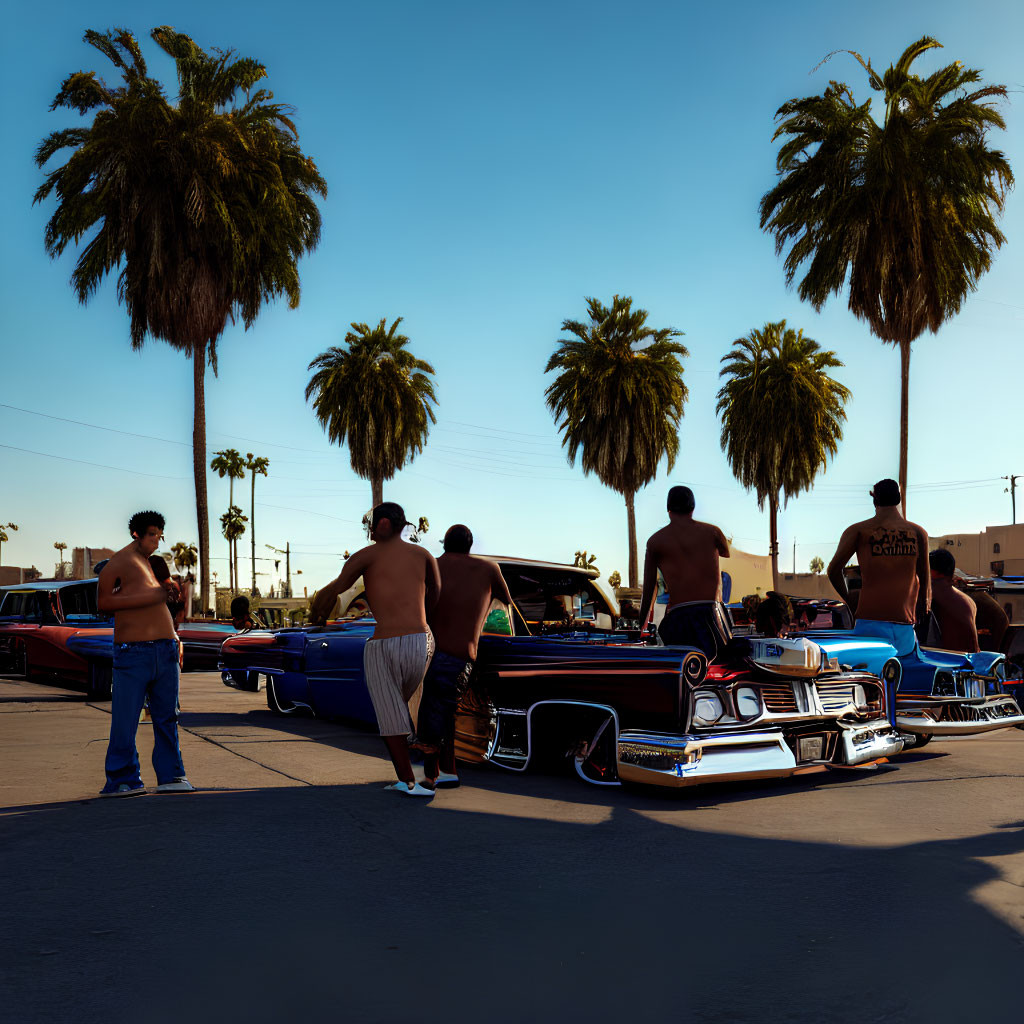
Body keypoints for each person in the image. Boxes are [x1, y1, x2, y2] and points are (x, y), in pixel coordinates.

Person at [310, 502, 441, 797]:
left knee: (389, 715)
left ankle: (408, 781)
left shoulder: (365, 556)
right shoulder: (423, 555)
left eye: (372, 523)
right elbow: (436, 594)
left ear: (382, 525)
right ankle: (430, 773)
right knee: (416, 708)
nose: (369, 529)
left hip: (383, 644)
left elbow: (337, 588)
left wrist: (317, 613)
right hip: (422, 641)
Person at [96, 511, 193, 797]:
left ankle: (171, 776)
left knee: (167, 717)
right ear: (136, 534)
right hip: (132, 651)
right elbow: (104, 602)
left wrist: (175, 635)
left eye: (160, 535)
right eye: (152, 534)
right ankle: (122, 779)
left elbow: (166, 603)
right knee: (126, 719)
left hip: (165, 650)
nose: (157, 540)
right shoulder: (118, 563)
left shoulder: (154, 565)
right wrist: (153, 596)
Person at [416, 524, 512, 788]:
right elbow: (506, 600)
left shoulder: (431, 566)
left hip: (427, 652)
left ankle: (432, 776)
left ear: (445, 543)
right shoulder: (489, 568)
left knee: (435, 712)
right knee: (441, 711)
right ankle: (444, 772)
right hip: (462, 655)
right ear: (470, 545)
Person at [827, 479, 930, 655]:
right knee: (900, 678)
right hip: (904, 624)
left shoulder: (859, 531)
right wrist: (922, 604)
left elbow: (833, 570)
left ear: (875, 500)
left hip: (869, 621)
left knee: (869, 679)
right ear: (898, 499)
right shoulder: (918, 533)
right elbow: (925, 579)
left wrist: (850, 600)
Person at [639, 486, 731, 659]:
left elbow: (649, 586)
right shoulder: (713, 533)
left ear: (668, 509)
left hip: (679, 618)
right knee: (716, 672)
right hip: (711, 617)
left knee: (684, 672)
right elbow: (725, 552)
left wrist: (641, 625)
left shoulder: (655, 541)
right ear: (692, 508)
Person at [928, 549, 979, 653]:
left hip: (951, 661)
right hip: (972, 660)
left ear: (931, 570)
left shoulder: (933, 591)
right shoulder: (968, 599)